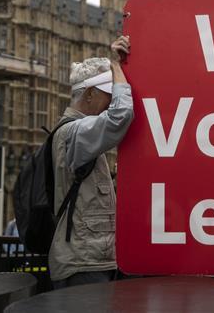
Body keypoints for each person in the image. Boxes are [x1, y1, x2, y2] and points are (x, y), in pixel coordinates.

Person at [49, 36, 133, 289]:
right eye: (108, 94)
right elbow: (121, 115)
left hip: (86, 258)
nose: (111, 101)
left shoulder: (78, 134)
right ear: (89, 94)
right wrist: (116, 65)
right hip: (83, 261)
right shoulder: (74, 132)